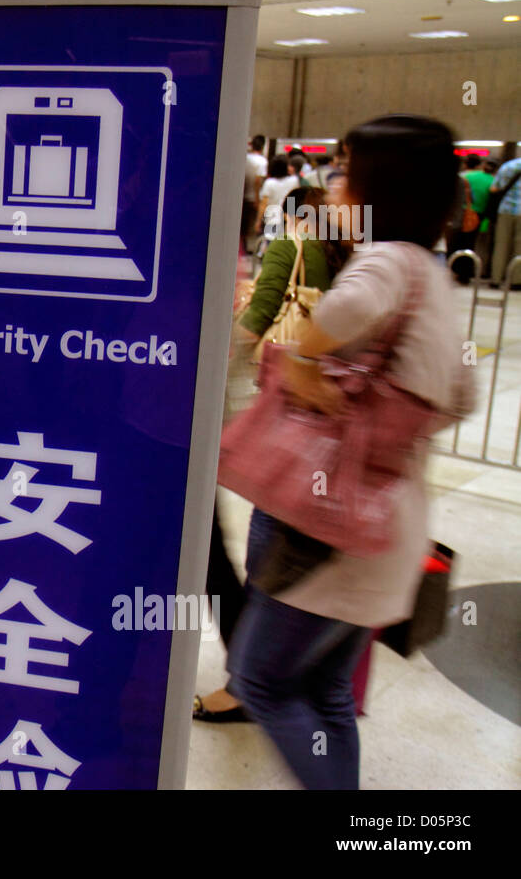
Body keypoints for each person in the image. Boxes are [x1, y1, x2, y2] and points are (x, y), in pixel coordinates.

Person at [226, 114, 476, 789]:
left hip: (332, 523)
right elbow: (462, 393)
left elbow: (337, 317)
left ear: (376, 187)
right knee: (328, 690)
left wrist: (306, 358)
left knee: (262, 680)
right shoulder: (433, 273)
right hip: (390, 521)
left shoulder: (386, 261)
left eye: (345, 169)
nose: (334, 185)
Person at [195, 185, 350, 722]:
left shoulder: (292, 247)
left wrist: (212, 363)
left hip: (286, 420)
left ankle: (249, 683)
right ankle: (287, 673)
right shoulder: (352, 254)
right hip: (333, 430)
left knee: (261, 554)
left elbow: (255, 323)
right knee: (291, 554)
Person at [488, 154, 521, 288]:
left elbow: (494, 188)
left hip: (505, 210)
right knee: (519, 248)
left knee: (501, 245)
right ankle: (516, 281)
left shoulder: (508, 166)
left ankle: (496, 279)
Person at [255, 155, 299, 249]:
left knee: (271, 246)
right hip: (289, 219)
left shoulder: (269, 183)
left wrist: (258, 221)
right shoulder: (294, 181)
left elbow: (263, 204)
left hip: (272, 219)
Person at [242, 135, 268, 251]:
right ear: (262, 147)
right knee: (252, 226)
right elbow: (258, 180)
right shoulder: (262, 161)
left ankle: (241, 248)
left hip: (243, 196)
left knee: (242, 225)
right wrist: (257, 198)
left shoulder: (245, 158)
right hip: (253, 197)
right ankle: (249, 249)